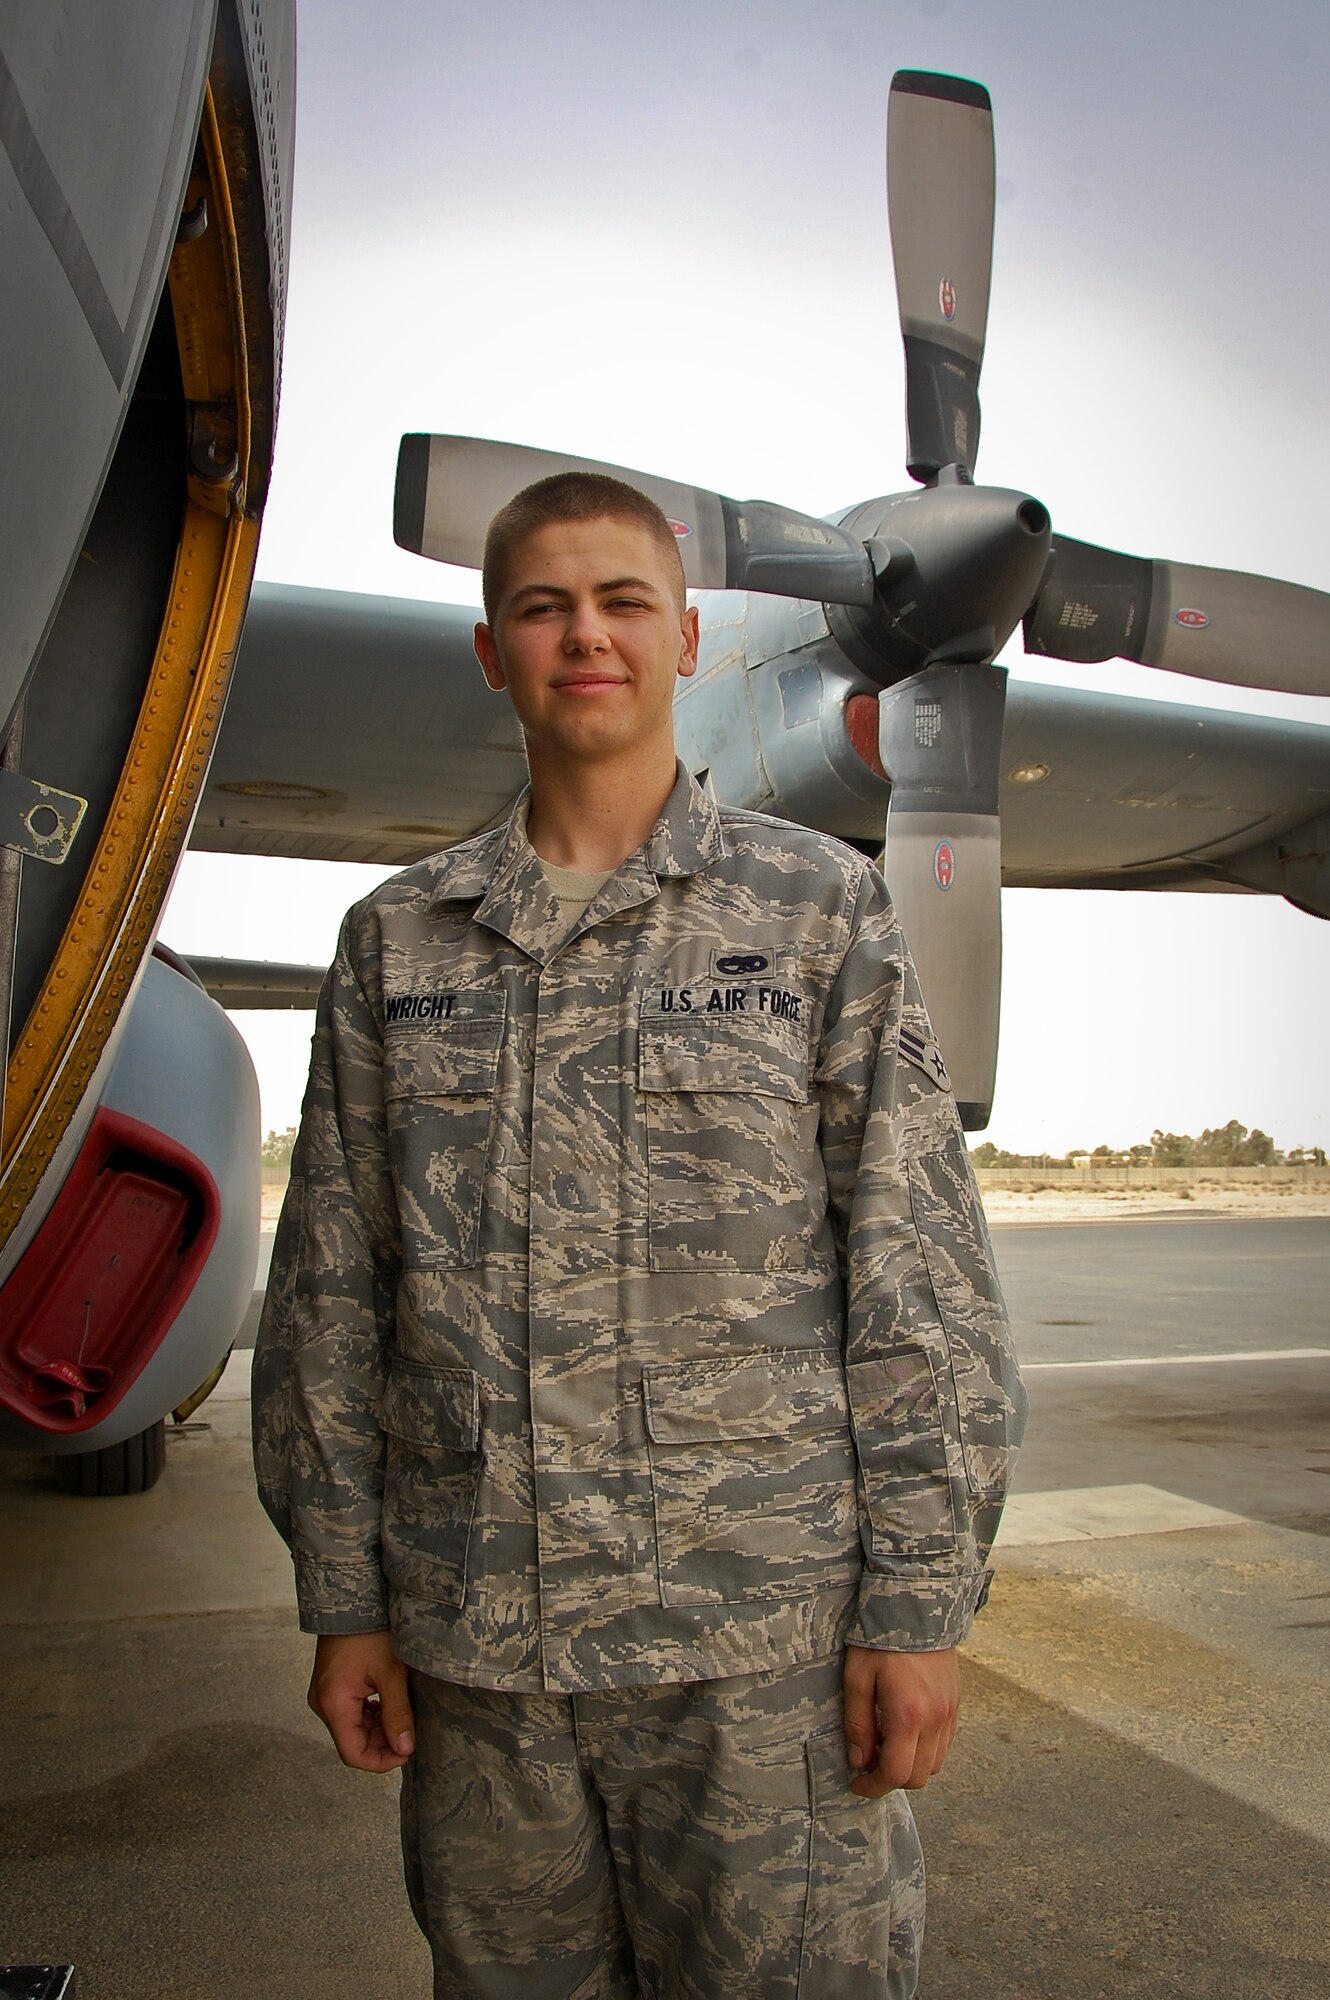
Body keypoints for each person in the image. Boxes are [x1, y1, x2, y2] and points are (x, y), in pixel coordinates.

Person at [252, 472, 1026, 1999]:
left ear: (684, 641)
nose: (582, 636)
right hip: (482, 1660)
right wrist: (344, 1600)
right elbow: (333, 1296)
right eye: (542, 606)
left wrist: (920, 1606)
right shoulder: (400, 940)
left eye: (621, 604)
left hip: (758, 1654)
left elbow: (915, 1274)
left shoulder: (812, 911)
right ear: (493, 651)